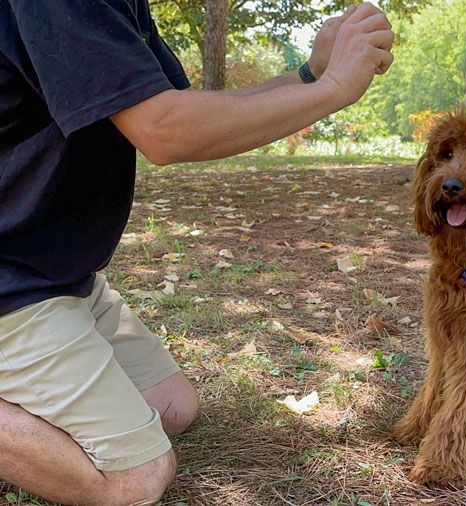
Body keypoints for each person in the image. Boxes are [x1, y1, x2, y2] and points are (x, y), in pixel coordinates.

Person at [0, 0, 394, 504]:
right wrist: (335, 88)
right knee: (135, 480)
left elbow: (187, 110)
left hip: (59, 274)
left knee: (172, 409)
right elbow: (165, 132)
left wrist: (309, 73)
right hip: (11, 284)